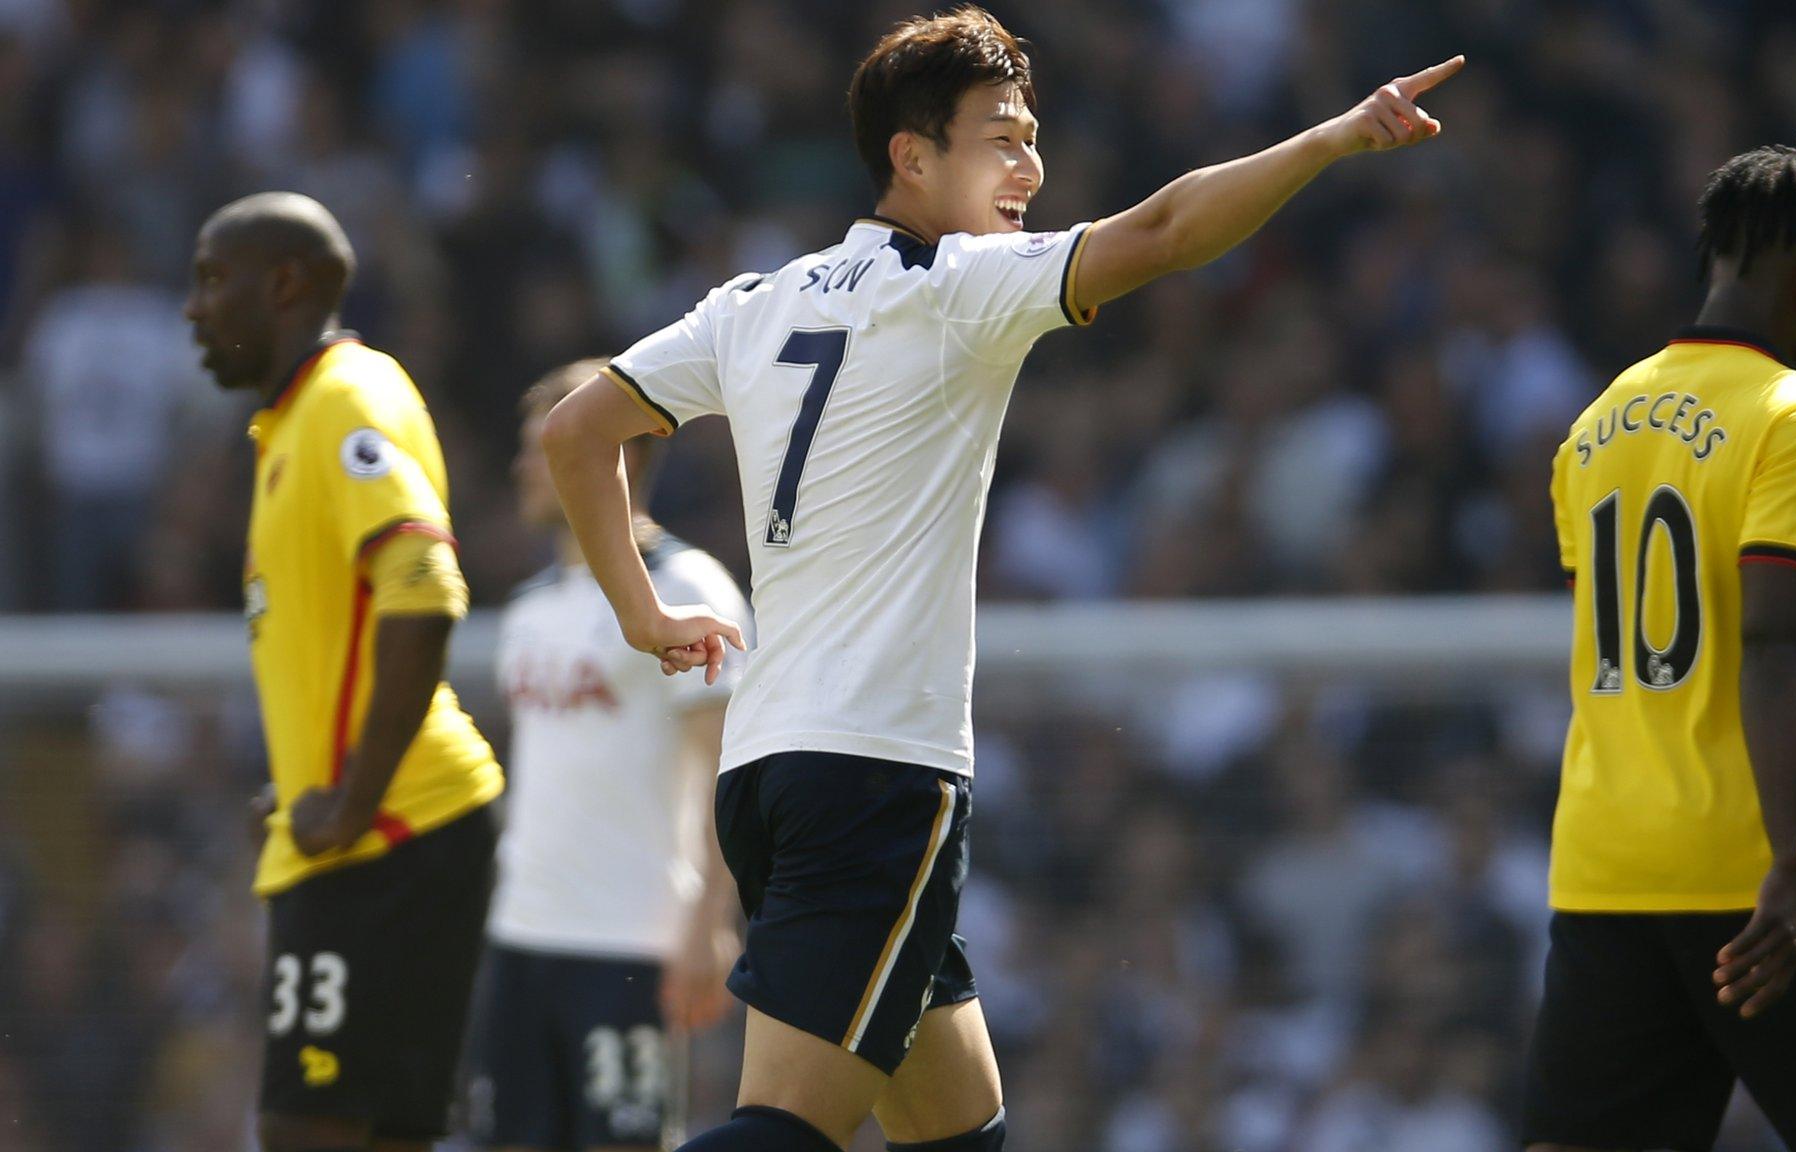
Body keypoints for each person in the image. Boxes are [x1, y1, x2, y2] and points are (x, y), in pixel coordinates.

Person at [539, 7, 1462, 1151]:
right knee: (782, 1131)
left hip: (772, 775)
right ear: (910, 158)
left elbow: (578, 430)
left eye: (1032, 136)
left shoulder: (754, 304)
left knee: (956, 1131)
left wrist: (640, 611)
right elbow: (1169, 229)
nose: (1030, 166)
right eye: (1000, 138)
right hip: (877, 775)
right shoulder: (957, 288)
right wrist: (1332, 139)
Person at [1525, 142, 1796, 1152]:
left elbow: (1671, 668)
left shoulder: (1592, 428)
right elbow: (1766, 640)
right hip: (1760, 874)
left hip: (1606, 871)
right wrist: (1794, 841)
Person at [184, 191, 504, 1152]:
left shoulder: (344, 401)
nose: (193, 308)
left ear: (284, 283)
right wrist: (300, 789)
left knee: (305, 1130)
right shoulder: (291, 426)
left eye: (211, 279)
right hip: (390, 834)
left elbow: (423, 586)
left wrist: (355, 798)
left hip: (390, 838)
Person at [470, 359, 750, 1151]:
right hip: (521, 936)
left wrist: (710, 919)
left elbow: (728, 766)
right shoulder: (529, 609)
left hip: (630, 943)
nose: (526, 465)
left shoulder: (689, 589)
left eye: (541, 446)